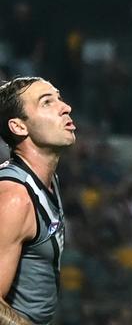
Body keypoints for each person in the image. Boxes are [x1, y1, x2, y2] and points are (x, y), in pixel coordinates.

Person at [0, 77, 75, 325]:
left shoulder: (46, 177)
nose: (65, 107)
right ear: (19, 127)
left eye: (59, 98)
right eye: (47, 103)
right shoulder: (15, 199)